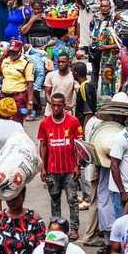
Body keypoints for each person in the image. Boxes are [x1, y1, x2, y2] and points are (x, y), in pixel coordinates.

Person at [38, 93, 84, 236]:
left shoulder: (73, 122)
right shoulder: (44, 124)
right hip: (52, 169)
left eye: (59, 105)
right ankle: (57, 229)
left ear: (64, 106)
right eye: (53, 105)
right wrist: (43, 167)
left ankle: (74, 229)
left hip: (70, 169)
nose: (56, 108)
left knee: (72, 199)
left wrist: (77, 165)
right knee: (55, 199)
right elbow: (43, 146)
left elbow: (78, 145)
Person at [0, 39, 35, 120]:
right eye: (11, 51)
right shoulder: (5, 60)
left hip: (18, 97)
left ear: (20, 51)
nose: (12, 53)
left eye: (15, 51)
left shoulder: (27, 63)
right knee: (3, 121)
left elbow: (30, 84)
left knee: (17, 122)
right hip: (4, 95)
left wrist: (30, 102)